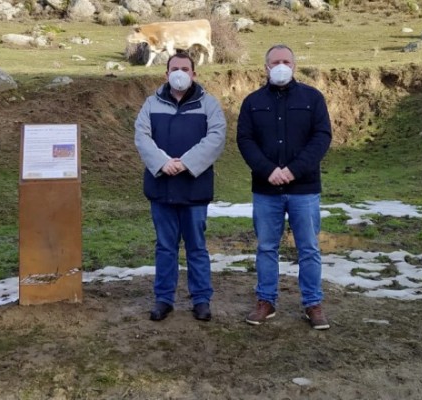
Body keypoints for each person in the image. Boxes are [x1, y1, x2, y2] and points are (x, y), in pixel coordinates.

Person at [236, 45, 333, 329]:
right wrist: (269, 171)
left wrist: (293, 170)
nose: (281, 65)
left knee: (309, 248)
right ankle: (266, 301)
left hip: (304, 189)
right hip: (266, 190)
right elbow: (245, 141)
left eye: (286, 61)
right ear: (265, 67)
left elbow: (322, 137)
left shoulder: (313, 98)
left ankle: (313, 304)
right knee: (266, 247)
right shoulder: (252, 102)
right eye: (275, 61)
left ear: (294, 65)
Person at [134, 52, 227, 322]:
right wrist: (163, 163)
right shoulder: (151, 104)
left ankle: (201, 299)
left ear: (194, 74)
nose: (180, 73)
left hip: (194, 189)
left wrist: (185, 163)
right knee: (165, 246)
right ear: (166, 74)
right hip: (161, 187)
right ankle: (164, 299)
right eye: (174, 68)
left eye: (185, 68)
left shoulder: (208, 104)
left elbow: (216, 138)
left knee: (196, 246)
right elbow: (142, 136)